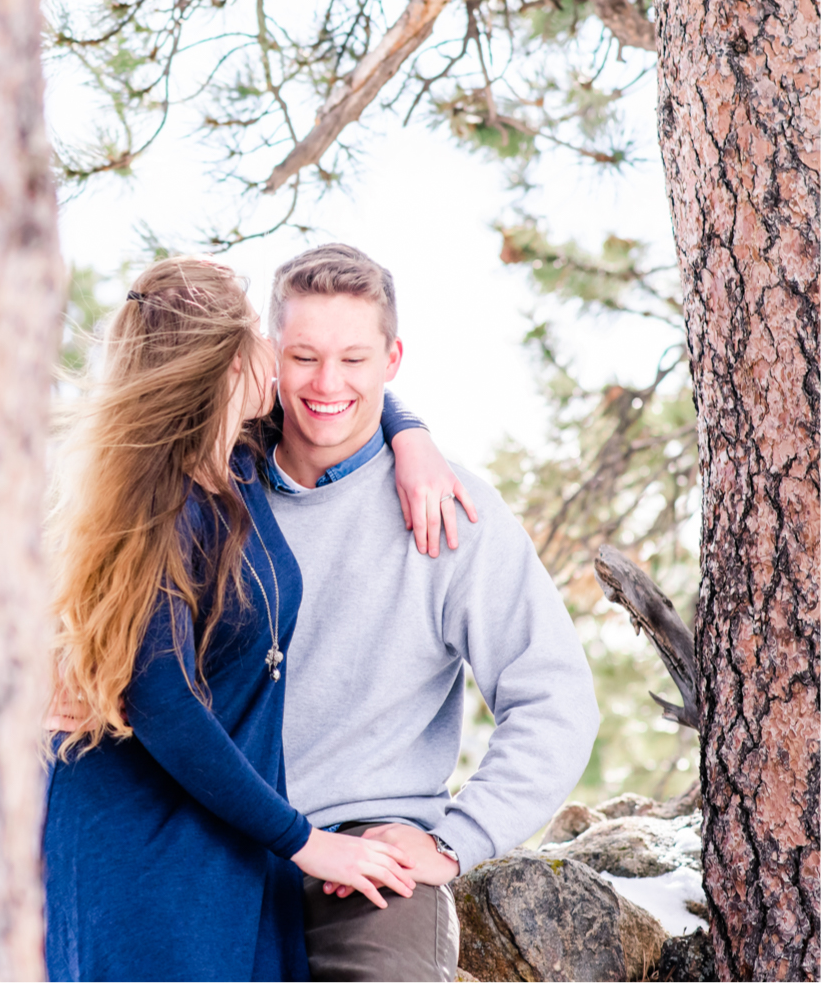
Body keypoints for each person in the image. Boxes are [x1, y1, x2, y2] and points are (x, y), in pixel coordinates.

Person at [40, 256, 466, 983]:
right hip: (144, 858)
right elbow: (163, 699)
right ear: (227, 368)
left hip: (224, 842)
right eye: (260, 343)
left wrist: (410, 434)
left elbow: (345, 396)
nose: (279, 358)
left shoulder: (232, 462)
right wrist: (305, 842)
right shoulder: (163, 508)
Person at [261, 243, 600, 981]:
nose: (327, 383)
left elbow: (555, 699)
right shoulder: (216, 492)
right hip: (222, 828)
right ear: (269, 357)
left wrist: (454, 841)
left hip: (368, 852)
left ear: (392, 359)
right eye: (304, 356)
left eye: (354, 359)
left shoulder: (451, 511)